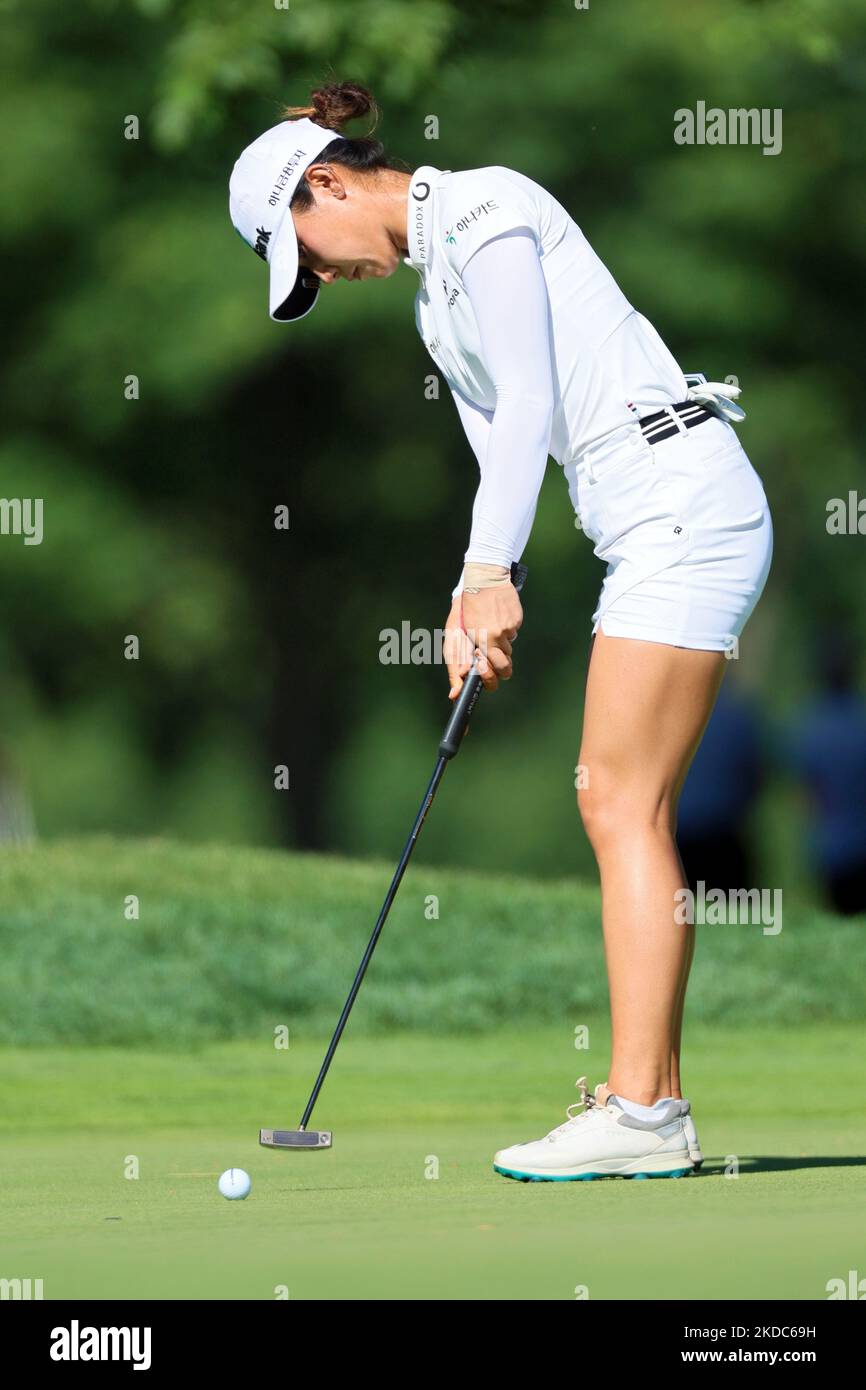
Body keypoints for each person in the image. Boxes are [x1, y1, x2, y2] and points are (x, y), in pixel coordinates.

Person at [229, 81, 774, 1180]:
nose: (324, 278)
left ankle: (640, 1113)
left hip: (681, 502)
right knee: (624, 799)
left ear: (325, 182)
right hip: (645, 520)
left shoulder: (486, 209)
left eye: (310, 253)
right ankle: (652, 1104)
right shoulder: (437, 302)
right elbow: (499, 457)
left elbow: (528, 396)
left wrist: (487, 572)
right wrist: (475, 593)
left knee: (616, 797)